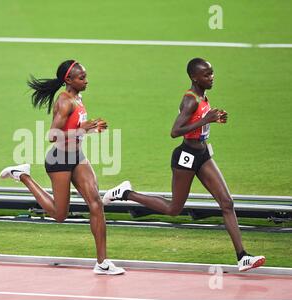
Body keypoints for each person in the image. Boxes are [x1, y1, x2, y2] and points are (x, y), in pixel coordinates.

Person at [103, 58, 265, 272]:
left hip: (203, 154)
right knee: (173, 209)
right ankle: (126, 193)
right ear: (194, 77)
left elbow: (199, 123)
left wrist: (213, 119)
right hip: (186, 156)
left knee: (226, 203)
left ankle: (242, 256)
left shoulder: (203, 96)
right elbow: (175, 131)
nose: (212, 77)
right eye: (206, 75)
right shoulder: (190, 100)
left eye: (212, 73)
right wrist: (205, 120)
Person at [0, 60, 125, 275]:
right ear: (68, 80)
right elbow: (52, 135)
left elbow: (76, 127)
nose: (86, 81)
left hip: (77, 156)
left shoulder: (78, 97)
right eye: (82, 77)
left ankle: (102, 262)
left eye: (85, 76)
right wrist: (82, 129)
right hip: (59, 159)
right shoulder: (65, 101)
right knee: (60, 214)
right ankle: (23, 175)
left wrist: (92, 128)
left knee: (96, 204)